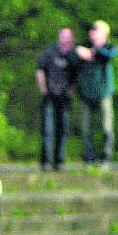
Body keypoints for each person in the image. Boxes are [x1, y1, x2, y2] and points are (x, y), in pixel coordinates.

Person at [71, 20, 118, 165]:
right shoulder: (83, 46)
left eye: (97, 31)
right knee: (86, 128)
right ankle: (89, 157)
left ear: (105, 34)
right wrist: (78, 52)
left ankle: (106, 157)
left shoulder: (108, 47)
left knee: (106, 127)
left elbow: (110, 55)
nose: (94, 34)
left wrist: (94, 51)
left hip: (103, 92)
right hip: (86, 93)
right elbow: (71, 60)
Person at [36, 28, 76, 171]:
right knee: (47, 129)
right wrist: (42, 87)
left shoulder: (74, 54)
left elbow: (78, 72)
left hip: (65, 97)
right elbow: (40, 68)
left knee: (63, 129)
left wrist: (72, 89)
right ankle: (45, 161)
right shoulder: (50, 51)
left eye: (67, 36)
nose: (64, 38)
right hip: (50, 95)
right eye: (62, 35)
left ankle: (60, 161)